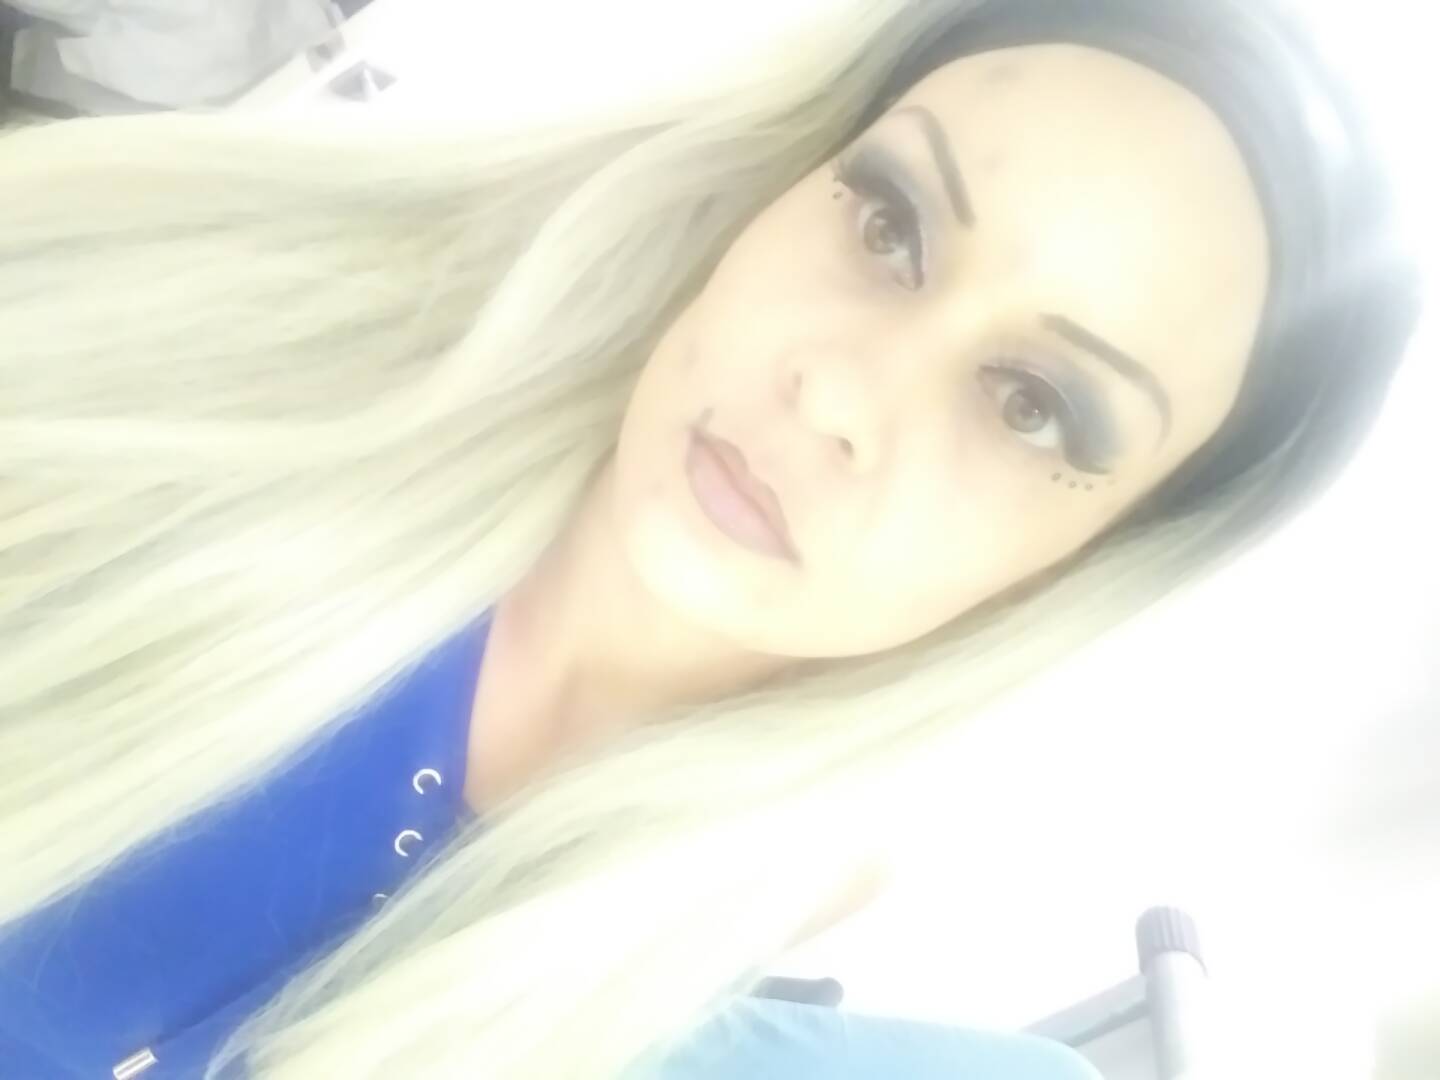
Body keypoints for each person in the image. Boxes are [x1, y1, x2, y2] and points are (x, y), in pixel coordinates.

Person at [0, 0, 1420, 1077]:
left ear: (1091, 563)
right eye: (890, 223)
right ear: (791, 178)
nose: (841, 393)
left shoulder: (776, 908)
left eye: (1031, 407)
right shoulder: (236, 374)